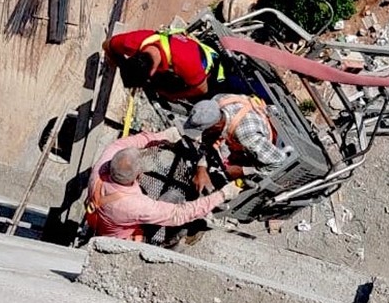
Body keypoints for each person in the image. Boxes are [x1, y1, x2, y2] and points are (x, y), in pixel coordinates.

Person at [86, 126, 242, 241]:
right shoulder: (134, 205)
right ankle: (162, 242)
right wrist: (223, 194)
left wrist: (164, 136)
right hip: (119, 237)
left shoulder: (104, 163)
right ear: (138, 174)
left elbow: (134, 141)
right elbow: (178, 214)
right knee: (173, 196)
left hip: (99, 218)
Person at [182, 95, 293, 193]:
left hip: (283, 134)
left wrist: (243, 171)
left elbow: (279, 161)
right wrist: (201, 167)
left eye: (204, 130)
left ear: (216, 126)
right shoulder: (218, 100)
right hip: (260, 117)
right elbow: (208, 138)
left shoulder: (246, 136)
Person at [103, 28, 225, 101]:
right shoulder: (133, 41)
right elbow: (107, 45)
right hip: (177, 57)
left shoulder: (187, 63)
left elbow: (202, 89)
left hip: (206, 70)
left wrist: (173, 95)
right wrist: (118, 63)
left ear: (152, 72)